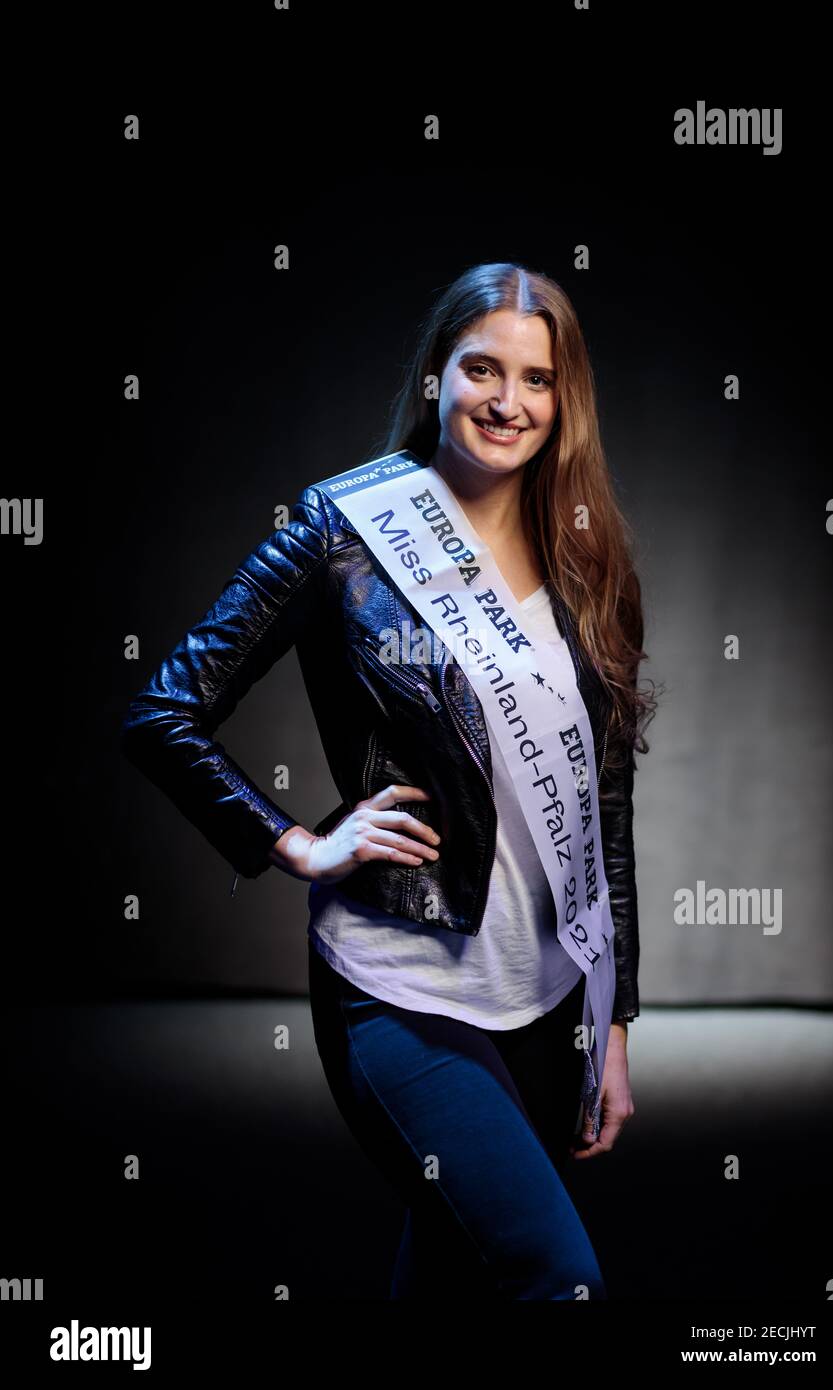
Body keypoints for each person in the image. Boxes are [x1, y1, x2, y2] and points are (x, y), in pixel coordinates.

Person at [121, 261, 655, 1301]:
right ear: (433, 378)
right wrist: (298, 844)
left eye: (536, 379)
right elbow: (161, 712)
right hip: (401, 986)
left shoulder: (585, 555)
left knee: (451, 1275)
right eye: (481, 370)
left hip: (545, 1002)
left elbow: (606, 807)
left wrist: (614, 1023)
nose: (508, 402)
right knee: (558, 1278)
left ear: (563, 396)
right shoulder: (343, 529)